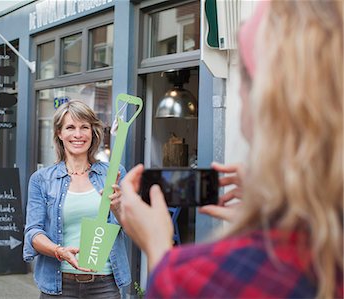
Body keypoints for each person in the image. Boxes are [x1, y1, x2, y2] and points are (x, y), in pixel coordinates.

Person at [118, 1, 343, 298]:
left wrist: (158, 249)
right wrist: (281, 213)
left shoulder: (205, 277)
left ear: (266, 100)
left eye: (243, 76)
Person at [23, 100, 131, 298]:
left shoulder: (114, 174)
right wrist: (59, 251)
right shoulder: (42, 179)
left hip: (105, 283)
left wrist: (117, 207)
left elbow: (129, 227)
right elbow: (33, 232)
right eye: (70, 127)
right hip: (58, 283)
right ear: (59, 133)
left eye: (84, 127)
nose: (78, 135)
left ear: (93, 132)